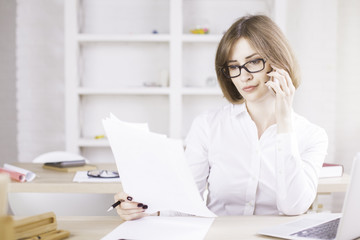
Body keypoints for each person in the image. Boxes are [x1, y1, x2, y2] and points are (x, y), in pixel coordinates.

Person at [113, 14, 328, 220]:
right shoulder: (208, 125)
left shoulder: (312, 136)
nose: (244, 76)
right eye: (234, 66)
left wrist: (284, 123)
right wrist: (145, 208)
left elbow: (294, 207)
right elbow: (186, 203)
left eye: (253, 62)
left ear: (277, 62)